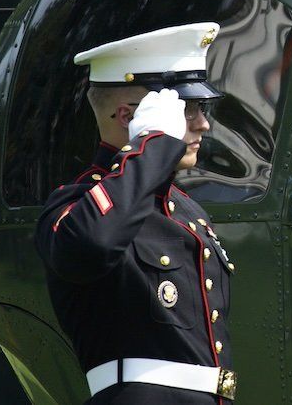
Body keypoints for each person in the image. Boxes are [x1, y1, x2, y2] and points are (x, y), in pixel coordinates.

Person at [35, 22, 238, 404]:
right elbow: (89, 246)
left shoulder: (187, 211)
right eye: (186, 109)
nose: (203, 124)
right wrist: (151, 147)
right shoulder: (73, 204)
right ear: (130, 117)